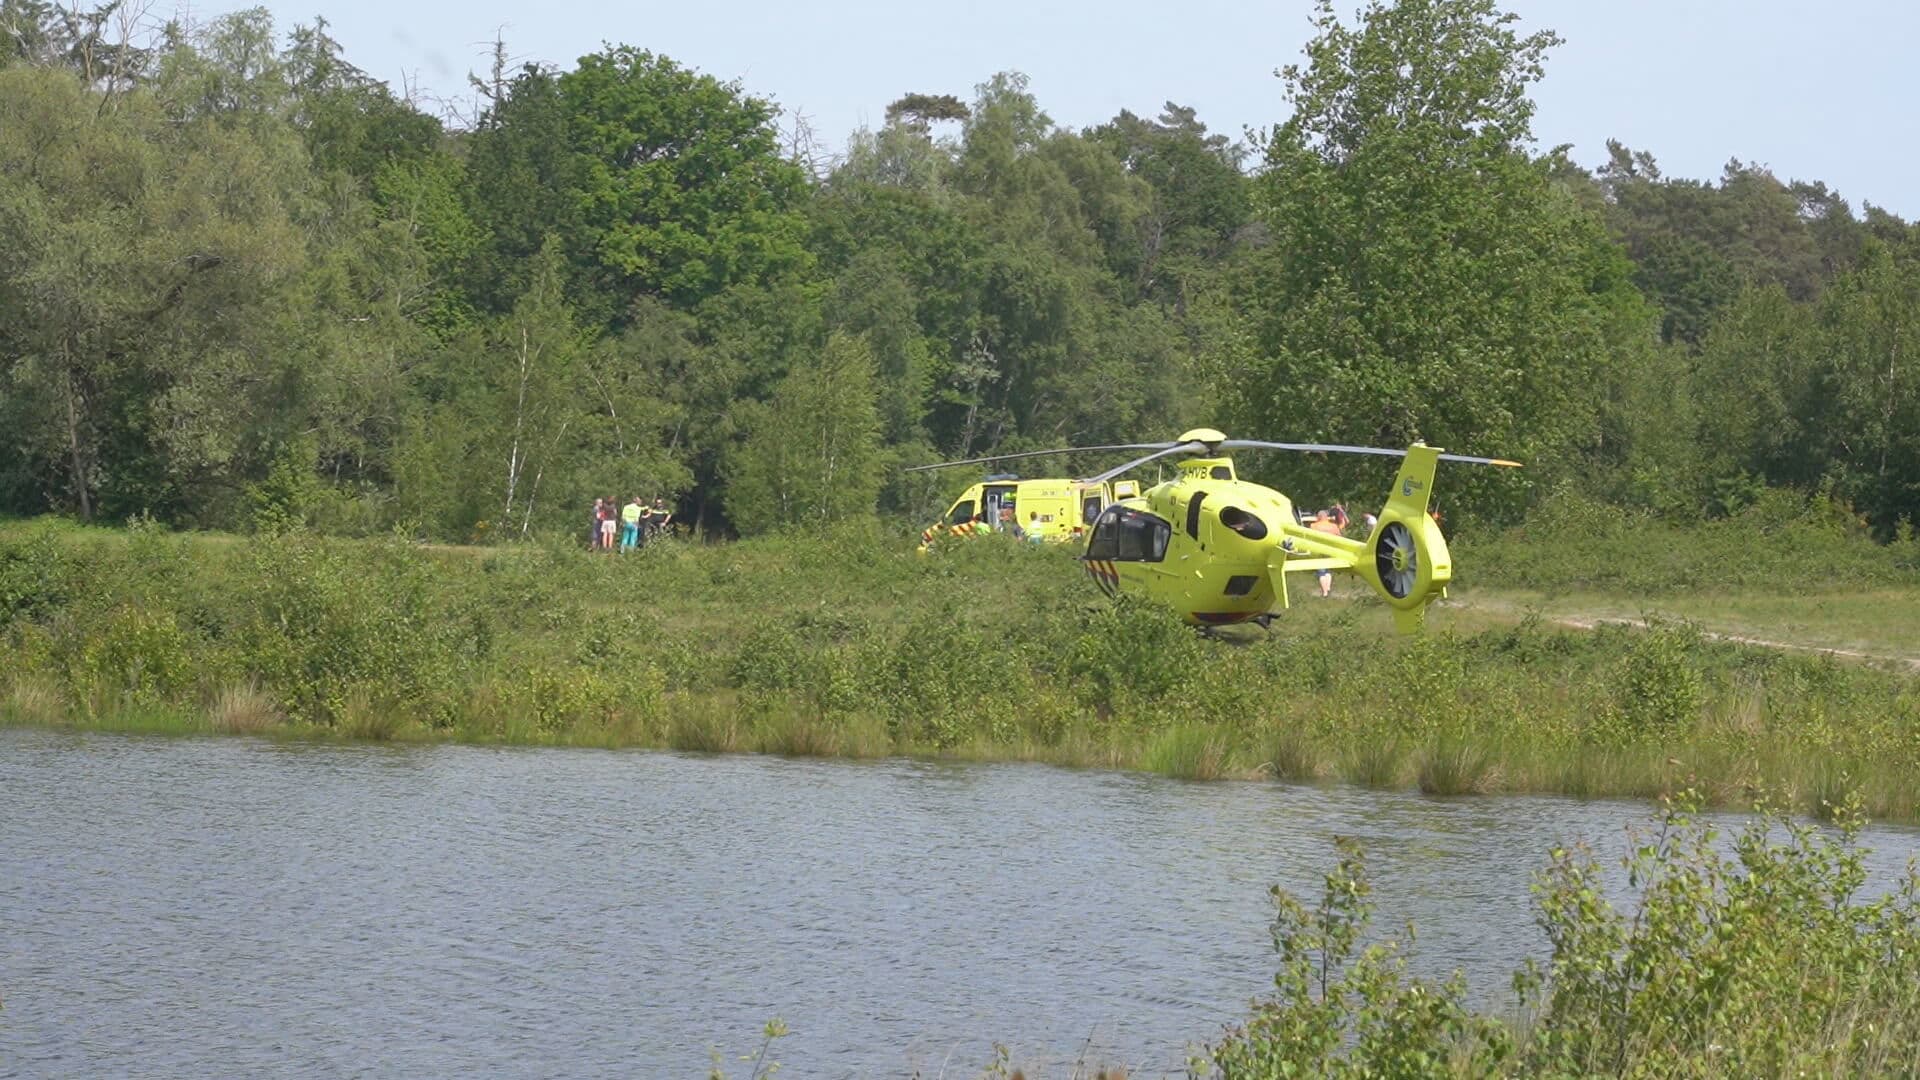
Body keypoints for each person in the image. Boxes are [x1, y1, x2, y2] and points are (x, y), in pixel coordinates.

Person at [1310, 508, 1345, 597]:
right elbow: (1339, 538)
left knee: (1321, 571)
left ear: (1319, 517)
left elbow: (1310, 538)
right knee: (1328, 570)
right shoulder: (1334, 526)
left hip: (1318, 549)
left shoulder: (1313, 526)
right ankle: (1328, 588)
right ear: (1326, 517)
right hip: (1331, 550)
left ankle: (1325, 592)